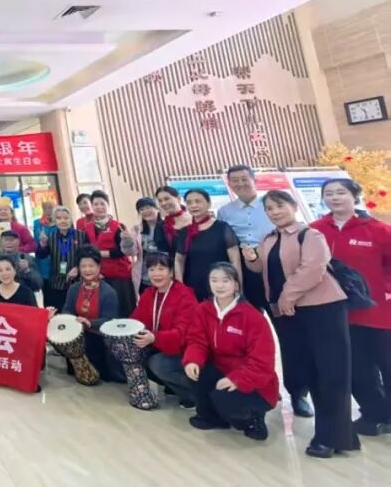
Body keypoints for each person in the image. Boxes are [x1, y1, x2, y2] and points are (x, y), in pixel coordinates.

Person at [244, 190, 359, 458]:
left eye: (280, 206)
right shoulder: (269, 238)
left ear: (294, 206)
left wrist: (287, 296)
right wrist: (252, 260)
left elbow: (313, 269)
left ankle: (331, 438)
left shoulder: (310, 235)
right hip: (291, 313)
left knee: (332, 373)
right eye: (269, 208)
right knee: (312, 372)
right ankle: (338, 435)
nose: (275, 212)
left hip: (322, 309)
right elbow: (265, 269)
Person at [310, 179, 391, 437]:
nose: (334, 198)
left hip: (380, 312)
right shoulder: (315, 230)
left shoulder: (379, 230)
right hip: (339, 315)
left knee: (387, 364)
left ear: (355, 196)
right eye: (329, 194)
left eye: (341, 193)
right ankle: (375, 413)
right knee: (357, 369)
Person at [183, 263, 277, 442]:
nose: (219, 285)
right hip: (220, 368)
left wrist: (238, 379)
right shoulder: (203, 310)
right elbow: (197, 340)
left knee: (226, 398)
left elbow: (262, 361)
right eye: (214, 280)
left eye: (225, 280)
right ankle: (211, 417)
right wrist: (193, 360)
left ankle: (253, 418)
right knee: (196, 372)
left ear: (236, 284)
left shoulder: (252, 316)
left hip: (253, 378)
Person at [130, 252, 198, 408]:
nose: (156, 274)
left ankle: (195, 394)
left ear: (171, 272)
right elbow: (136, 320)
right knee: (134, 355)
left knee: (157, 364)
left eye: (161, 269)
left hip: (185, 351)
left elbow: (182, 333)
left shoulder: (185, 295)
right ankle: (173, 387)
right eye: (152, 269)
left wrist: (155, 338)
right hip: (160, 346)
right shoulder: (149, 293)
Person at [218, 165, 276, 312]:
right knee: (251, 313)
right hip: (243, 266)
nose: (240, 183)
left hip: (271, 260)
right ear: (229, 184)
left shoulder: (271, 204)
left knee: (278, 311)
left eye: (244, 179)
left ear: (254, 180)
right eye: (235, 180)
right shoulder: (224, 211)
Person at [61, 248, 123, 383]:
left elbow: (111, 320)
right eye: (83, 266)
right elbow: (67, 309)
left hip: (99, 337)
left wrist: (90, 323)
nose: (87, 270)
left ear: (99, 267)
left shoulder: (108, 292)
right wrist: (70, 319)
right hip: (77, 333)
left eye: (91, 266)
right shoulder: (74, 288)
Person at [174, 189, 242, 303]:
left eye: (198, 201)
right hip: (193, 287)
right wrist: (180, 287)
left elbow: (235, 260)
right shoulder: (184, 232)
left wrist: (237, 285)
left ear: (209, 203)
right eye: (189, 202)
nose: (193, 205)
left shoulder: (222, 228)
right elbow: (179, 260)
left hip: (221, 285)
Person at [82, 191, 135, 316]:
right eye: (96, 204)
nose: (99, 207)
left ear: (108, 205)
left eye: (102, 204)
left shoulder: (118, 226)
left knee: (124, 309)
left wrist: (99, 253)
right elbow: (86, 249)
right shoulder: (88, 227)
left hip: (120, 274)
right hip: (99, 275)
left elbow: (122, 251)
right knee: (104, 309)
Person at [36, 207, 85, 310]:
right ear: (55, 221)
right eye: (59, 218)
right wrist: (42, 245)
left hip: (77, 281)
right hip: (56, 281)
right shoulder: (51, 236)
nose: (63, 221)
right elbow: (42, 255)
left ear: (70, 219)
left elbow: (87, 255)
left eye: (66, 218)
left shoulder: (81, 235)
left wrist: (78, 268)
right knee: (58, 311)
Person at [124, 197, 172, 295]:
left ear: (157, 209)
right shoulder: (137, 230)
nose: (146, 211)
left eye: (149, 207)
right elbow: (131, 252)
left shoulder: (168, 226)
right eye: (142, 209)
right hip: (145, 277)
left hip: (166, 275)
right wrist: (127, 240)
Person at [154, 185, 191, 254]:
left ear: (178, 198)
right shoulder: (161, 226)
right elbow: (162, 252)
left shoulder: (195, 219)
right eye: (160, 201)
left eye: (167, 199)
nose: (163, 203)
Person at [32, 200, 57, 284]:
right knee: (45, 284)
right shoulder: (37, 223)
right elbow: (36, 242)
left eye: (50, 208)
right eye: (45, 208)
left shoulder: (59, 222)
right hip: (43, 261)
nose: (48, 210)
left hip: (59, 259)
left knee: (62, 281)